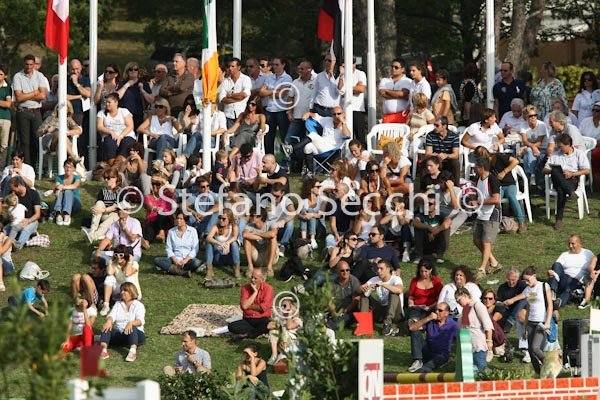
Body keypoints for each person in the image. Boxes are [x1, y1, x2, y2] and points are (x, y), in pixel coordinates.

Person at [473, 146, 526, 233]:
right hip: (497, 186)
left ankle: (521, 222)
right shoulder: (485, 165)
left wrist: (504, 172)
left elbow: (515, 161)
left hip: (509, 183)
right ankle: (494, 221)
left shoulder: (499, 157)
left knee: (511, 196)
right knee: (494, 200)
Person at [543, 133, 590, 229]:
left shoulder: (579, 154)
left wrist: (572, 174)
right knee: (555, 170)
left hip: (572, 179)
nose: (560, 149)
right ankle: (570, 192)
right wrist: (556, 171)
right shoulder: (556, 155)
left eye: (561, 146)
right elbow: (544, 170)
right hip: (558, 179)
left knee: (561, 191)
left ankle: (559, 220)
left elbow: (586, 170)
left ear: (568, 145)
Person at [289, 106, 352, 178]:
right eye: (334, 114)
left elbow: (348, 135)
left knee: (313, 134)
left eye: (339, 114)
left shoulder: (345, 125)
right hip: (322, 146)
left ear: (343, 114)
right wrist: (308, 113)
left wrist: (343, 122)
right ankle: (310, 172)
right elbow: (316, 116)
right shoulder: (328, 120)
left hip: (333, 149)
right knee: (308, 147)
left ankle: (293, 148)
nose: (336, 116)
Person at [516, 266, 553, 376]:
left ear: (534, 276)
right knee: (531, 351)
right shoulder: (528, 290)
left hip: (541, 322)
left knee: (535, 347)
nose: (527, 283)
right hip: (530, 322)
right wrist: (524, 327)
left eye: (528, 280)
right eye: (525, 281)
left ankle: (548, 363)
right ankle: (539, 373)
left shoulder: (544, 286)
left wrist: (547, 322)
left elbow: (550, 305)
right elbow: (528, 309)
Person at [471, 157, 502, 280]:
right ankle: (494, 262)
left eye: (476, 166)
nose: (474, 168)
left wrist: (479, 202)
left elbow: (496, 199)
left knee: (486, 242)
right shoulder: (477, 180)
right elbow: (476, 194)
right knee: (476, 240)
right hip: (481, 213)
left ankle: (482, 268)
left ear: (482, 168)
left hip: (492, 214)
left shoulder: (493, 180)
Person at [13, 54, 47, 165]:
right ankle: (26, 166)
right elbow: (19, 97)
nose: (28, 67)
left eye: (31, 65)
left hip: (36, 111)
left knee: (36, 140)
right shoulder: (18, 76)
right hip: (23, 111)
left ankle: (33, 166)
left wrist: (26, 95)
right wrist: (34, 93)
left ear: (34, 64)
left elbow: (42, 95)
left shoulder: (39, 76)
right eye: (27, 64)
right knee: (24, 142)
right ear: (24, 64)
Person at [100, 282, 146, 362]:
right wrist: (109, 321)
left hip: (136, 334)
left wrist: (131, 323)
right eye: (121, 290)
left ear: (131, 292)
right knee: (107, 327)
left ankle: (132, 352)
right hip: (121, 333)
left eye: (125, 290)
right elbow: (111, 315)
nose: (122, 292)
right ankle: (103, 350)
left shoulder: (138, 305)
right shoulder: (118, 304)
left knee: (132, 327)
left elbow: (140, 321)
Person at [408, 302, 459, 373]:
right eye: (436, 310)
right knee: (415, 332)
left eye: (440, 310)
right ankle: (417, 360)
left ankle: (425, 368)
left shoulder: (453, 325)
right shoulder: (431, 321)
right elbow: (412, 328)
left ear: (446, 313)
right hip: (428, 350)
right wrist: (428, 318)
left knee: (435, 361)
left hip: (441, 354)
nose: (437, 312)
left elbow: (460, 340)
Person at [547, 234, 595, 310]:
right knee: (557, 264)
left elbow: (594, 266)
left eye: (573, 244)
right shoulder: (565, 254)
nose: (570, 246)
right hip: (565, 279)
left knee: (568, 290)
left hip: (578, 282)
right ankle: (552, 292)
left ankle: (558, 303)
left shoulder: (588, 253)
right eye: (569, 244)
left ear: (579, 243)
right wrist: (550, 272)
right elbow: (557, 268)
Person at [358, 259, 403, 336]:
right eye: (377, 268)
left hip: (395, 313)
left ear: (388, 269)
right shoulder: (375, 279)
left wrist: (383, 284)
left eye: (381, 268)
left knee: (394, 293)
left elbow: (399, 290)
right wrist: (364, 288)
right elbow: (359, 290)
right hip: (381, 311)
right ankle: (364, 324)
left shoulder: (395, 279)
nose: (378, 271)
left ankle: (387, 324)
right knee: (364, 295)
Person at [257, 57, 292, 155]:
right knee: (268, 137)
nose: (274, 67)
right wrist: (274, 91)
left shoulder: (287, 78)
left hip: (281, 110)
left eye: (277, 65)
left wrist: (269, 91)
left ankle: (287, 159)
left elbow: (281, 95)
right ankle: (269, 158)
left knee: (284, 136)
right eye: (273, 65)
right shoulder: (269, 77)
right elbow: (261, 92)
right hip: (270, 110)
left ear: (283, 65)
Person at [455, 287, 494, 373]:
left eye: (458, 299)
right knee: (471, 372)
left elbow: (487, 325)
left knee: (481, 370)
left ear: (465, 295)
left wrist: (489, 342)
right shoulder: (465, 309)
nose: (457, 302)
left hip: (478, 345)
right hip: (467, 347)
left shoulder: (478, 305)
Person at [228, 268, 274, 340]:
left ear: (262, 280)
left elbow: (262, 308)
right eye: (252, 277)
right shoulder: (245, 288)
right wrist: (255, 293)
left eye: (255, 278)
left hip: (262, 319)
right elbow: (244, 306)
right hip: (248, 319)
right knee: (231, 326)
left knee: (268, 324)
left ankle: (247, 335)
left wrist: (248, 306)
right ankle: (257, 332)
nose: (252, 280)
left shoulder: (268, 289)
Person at [81, 167, 121, 244]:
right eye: (105, 178)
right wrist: (94, 208)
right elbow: (99, 204)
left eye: (108, 178)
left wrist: (102, 210)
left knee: (114, 215)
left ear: (115, 178)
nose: (106, 180)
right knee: (99, 203)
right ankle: (92, 230)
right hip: (104, 215)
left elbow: (115, 207)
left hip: (115, 216)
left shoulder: (120, 191)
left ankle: (93, 236)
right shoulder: (103, 191)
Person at [154, 212, 200, 278]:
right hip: (175, 259)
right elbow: (168, 248)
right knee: (157, 260)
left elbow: (195, 249)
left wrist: (186, 260)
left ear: (185, 220)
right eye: (177, 218)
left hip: (187, 259)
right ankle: (182, 272)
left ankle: (171, 269)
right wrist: (174, 259)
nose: (178, 220)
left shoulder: (193, 231)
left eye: (181, 219)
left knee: (196, 262)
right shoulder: (171, 231)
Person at [497, 267, 530, 362]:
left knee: (523, 304)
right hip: (507, 311)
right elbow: (499, 302)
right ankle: (507, 346)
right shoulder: (502, 288)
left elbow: (531, 295)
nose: (511, 282)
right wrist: (504, 304)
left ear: (518, 279)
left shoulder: (522, 285)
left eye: (513, 280)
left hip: (523, 310)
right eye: (509, 280)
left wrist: (513, 300)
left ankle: (526, 349)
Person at [100, 244, 142, 316]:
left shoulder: (134, 264)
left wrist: (130, 261)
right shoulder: (115, 264)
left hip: (133, 292)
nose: (118, 257)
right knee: (109, 278)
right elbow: (109, 272)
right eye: (116, 255)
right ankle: (106, 305)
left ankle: (128, 304)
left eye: (121, 255)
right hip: (120, 290)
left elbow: (127, 273)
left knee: (128, 278)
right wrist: (111, 260)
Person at [137, 97, 183, 161]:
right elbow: (139, 128)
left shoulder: (170, 119)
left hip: (169, 140)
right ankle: (161, 161)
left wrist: (173, 119)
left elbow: (181, 130)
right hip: (155, 140)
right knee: (164, 143)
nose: (158, 109)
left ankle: (159, 161)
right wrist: (151, 134)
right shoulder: (152, 118)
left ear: (165, 108)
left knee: (163, 137)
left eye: (160, 107)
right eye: (156, 107)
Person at [97, 92, 137, 164]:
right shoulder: (101, 113)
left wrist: (121, 136)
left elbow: (130, 126)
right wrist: (111, 132)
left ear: (116, 103)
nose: (107, 104)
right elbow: (99, 126)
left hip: (126, 135)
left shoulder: (124, 111)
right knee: (109, 144)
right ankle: (113, 164)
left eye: (109, 102)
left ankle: (117, 165)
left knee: (126, 143)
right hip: (110, 136)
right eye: (106, 102)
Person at [223, 96, 266, 160]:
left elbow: (263, 126)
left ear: (257, 105)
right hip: (240, 138)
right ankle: (232, 156)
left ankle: (231, 155)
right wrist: (226, 132)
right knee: (242, 134)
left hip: (252, 138)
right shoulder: (242, 115)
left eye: (253, 104)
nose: (250, 106)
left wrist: (261, 131)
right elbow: (234, 127)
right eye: (249, 103)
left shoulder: (260, 116)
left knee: (243, 134)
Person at [412, 196, 451, 264]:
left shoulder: (440, 215)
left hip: (437, 242)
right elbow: (415, 222)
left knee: (445, 227)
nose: (427, 205)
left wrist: (437, 230)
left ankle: (440, 255)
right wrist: (429, 228)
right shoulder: (421, 215)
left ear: (435, 206)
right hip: (425, 243)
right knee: (418, 227)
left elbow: (449, 221)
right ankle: (419, 255)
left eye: (430, 204)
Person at [6, 176, 41, 249]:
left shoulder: (33, 194)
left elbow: (38, 214)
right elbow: (9, 210)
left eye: (13, 189)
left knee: (25, 230)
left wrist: (28, 221)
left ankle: (18, 245)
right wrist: (10, 217)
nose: (12, 192)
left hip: (31, 220)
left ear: (19, 185)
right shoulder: (12, 195)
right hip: (16, 221)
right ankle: (7, 240)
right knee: (5, 229)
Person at [519, 105, 550, 188]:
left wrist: (528, 147)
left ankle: (528, 179)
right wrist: (531, 147)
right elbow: (525, 140)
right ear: (525, 117)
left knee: (527, 156)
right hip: (531, 148)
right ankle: (532, 177)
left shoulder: (541, 125)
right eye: (530, 116)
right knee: (528, 152)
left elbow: (539, 142)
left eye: (534, 115)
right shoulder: (523, 125)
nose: (533, 117)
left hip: (542, 148)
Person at [116, 61, 154, 129]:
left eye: (136, 69)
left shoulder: (143, 83)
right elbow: (117, 97)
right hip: (125, 116)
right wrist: (127, 85)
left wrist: (142, 90)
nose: (133, 71)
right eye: (131, 69)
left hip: (139, 115)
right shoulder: (122, 83)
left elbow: (151, 100)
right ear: (127, 72)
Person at [242, 207, 278, 278]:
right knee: (246, 240)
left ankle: (269, 267)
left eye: (252, 215)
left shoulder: (271, 223)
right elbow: (245, 234)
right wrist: (265, 236)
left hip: (269, 256)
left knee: (273, 239)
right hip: (257, 256)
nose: (250, 217)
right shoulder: (249, 225)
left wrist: (256, 233)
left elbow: (272, 234)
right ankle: (250, 266)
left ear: (260, 217)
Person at [205, 209, 240, 280]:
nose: (221, 220)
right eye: (220, 218)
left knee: (234, 243)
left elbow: (235, 237)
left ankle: (236, 268)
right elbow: (208, 237)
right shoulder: (216, 227)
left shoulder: (234, 227)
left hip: (230, 255)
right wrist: (220, 243)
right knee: (209, 244)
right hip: (218, 255)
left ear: (229, 219)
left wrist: (227, 243)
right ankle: (209, 269)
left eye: (223, 219)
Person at [425, 116, 461, 185]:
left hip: (448, 160)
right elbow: (428, 153)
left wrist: (446, 156)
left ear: (444, 126)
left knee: (456, 163)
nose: (435, 127)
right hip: (435, 160)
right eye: (434, 125)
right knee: (425, 162)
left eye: (437, 125)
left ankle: (456, 187)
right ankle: (425, 187)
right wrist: (437, 155)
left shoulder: (454, 136)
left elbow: (456, 154)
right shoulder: (430, 135)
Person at [266, 296, 302, 365]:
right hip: (279, 340)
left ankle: (283, 355)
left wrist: (289, 314)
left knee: (284, 329)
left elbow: (289, 326)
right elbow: (269, 326)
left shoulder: (298, 319)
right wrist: (281, 324)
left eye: (285, 306)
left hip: (291, 342)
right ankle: (274, 355)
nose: (282, 308)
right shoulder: (280, 318)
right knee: (273, 331)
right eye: (282, 306)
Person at [218, 57, 252, 128]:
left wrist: (230, 95)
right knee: (229, 134)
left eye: (232, 66)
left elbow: (244, 95)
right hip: (228, 115)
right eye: (229, 66)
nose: (230, 68)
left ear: (239, 67)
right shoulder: (225, 81)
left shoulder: (246, 79)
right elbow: (222, 99)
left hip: (241, 114)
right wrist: (238, 99)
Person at [327, 260, 361, 331]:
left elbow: (356, 300)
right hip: (336, 309)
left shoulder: (354, 281)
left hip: (350, 310)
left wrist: (345, 311)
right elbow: (329, 300)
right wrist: (333, 312)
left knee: (340, 322)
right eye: (342, 271)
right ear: (337, 272)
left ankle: (331, 326)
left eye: (347, 270)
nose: (345, 272)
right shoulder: (333, 282)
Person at [340, 57, 367, 145]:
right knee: (344, 134)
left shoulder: (360, 74)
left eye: (353, 62)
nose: (351, 64)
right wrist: (354, 87)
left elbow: (361, 89)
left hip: (357, 109)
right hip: (343, 109)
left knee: (360, 136)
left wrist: (346, 89)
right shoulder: (341, 75)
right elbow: (339, 90)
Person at [378, 58, 411, 123]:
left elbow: (402, 93)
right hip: (387, 116)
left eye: (396, 67)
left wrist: (387, 90)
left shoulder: (407, 81)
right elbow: (382, 93)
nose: (393, 69)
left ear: (403, 69)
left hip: (402, 115)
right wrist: (400, 96)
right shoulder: (384, 80)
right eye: (392, 67)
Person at [143, 175, 173, 244]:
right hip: (153, 221)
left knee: (161, 213)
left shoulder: (167, 195)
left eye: (157, 184)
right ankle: (147, 242)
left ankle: (161, 232)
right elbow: (148, 205)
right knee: (150, 228)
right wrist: (154, 208)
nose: (154, 186)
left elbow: (172, 190)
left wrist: (163, 181)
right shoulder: (148, 197)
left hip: (166, 220)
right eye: (153, 183)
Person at [53, 158, 82, 225]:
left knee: (68, 191)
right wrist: (57, 189)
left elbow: (74, 186)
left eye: (70, 167)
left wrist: (62, 187)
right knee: (60, 192)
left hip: (74, 203)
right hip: (61, 202)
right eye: (66, 167)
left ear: (74, 169)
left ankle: (67, 214)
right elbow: (57, 188)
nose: (68, 169)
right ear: (63, 167)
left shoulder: (77, 178)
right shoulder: (59, 178)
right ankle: (58, 213)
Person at [298, 178, 324, 249]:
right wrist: (303, 216)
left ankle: (312, 239)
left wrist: (311, 214)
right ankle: (304, 239)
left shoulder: (322, 199)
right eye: (318, 187)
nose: (320, 188)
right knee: (303, 210)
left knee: (310, 210)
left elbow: (320, 215)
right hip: (307, 225)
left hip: (319, 227)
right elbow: (297, 213)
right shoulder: (303, 199)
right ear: (311, 188)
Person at [480, 288, 508, 357]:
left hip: (497, 336)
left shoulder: (498, 307)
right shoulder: (480, 308)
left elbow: (492, 321)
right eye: (485, 298)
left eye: (490, 299)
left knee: (490, 322)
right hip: (483, 333)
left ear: (494, 300)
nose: (487, 300)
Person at [0, 65, 13, 169]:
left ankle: (1, 167)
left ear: (5, 76)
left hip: (5, 119)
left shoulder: (7, 88)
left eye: (1, 74)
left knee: (3, 145)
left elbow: (8, 104)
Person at [0, 223, 15, 292]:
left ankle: (1, 283)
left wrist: (0, 240)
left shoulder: (8, 239)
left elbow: (1, 252)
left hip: (7, 266)